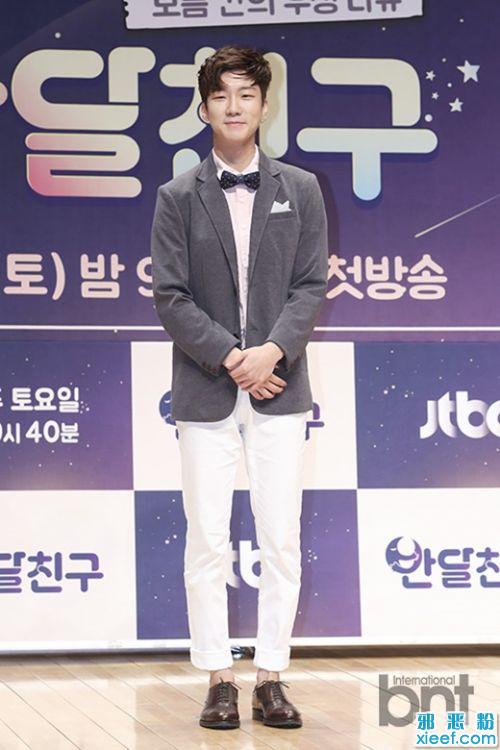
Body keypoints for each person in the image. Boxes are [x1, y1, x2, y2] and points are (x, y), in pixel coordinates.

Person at [151, 44, 329, 730]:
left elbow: (310, 285)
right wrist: (232, 357)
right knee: (207, 537)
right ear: (204, 109)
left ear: (264, 105)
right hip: (207, 389)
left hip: (281, 385)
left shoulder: (301, 189)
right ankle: (219, 678)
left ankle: (272, 676)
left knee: (280, 536)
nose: (234, 106)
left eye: (246, 94)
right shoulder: (176, 197)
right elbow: (170, 297)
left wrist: (272, 351)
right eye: (221, 95)